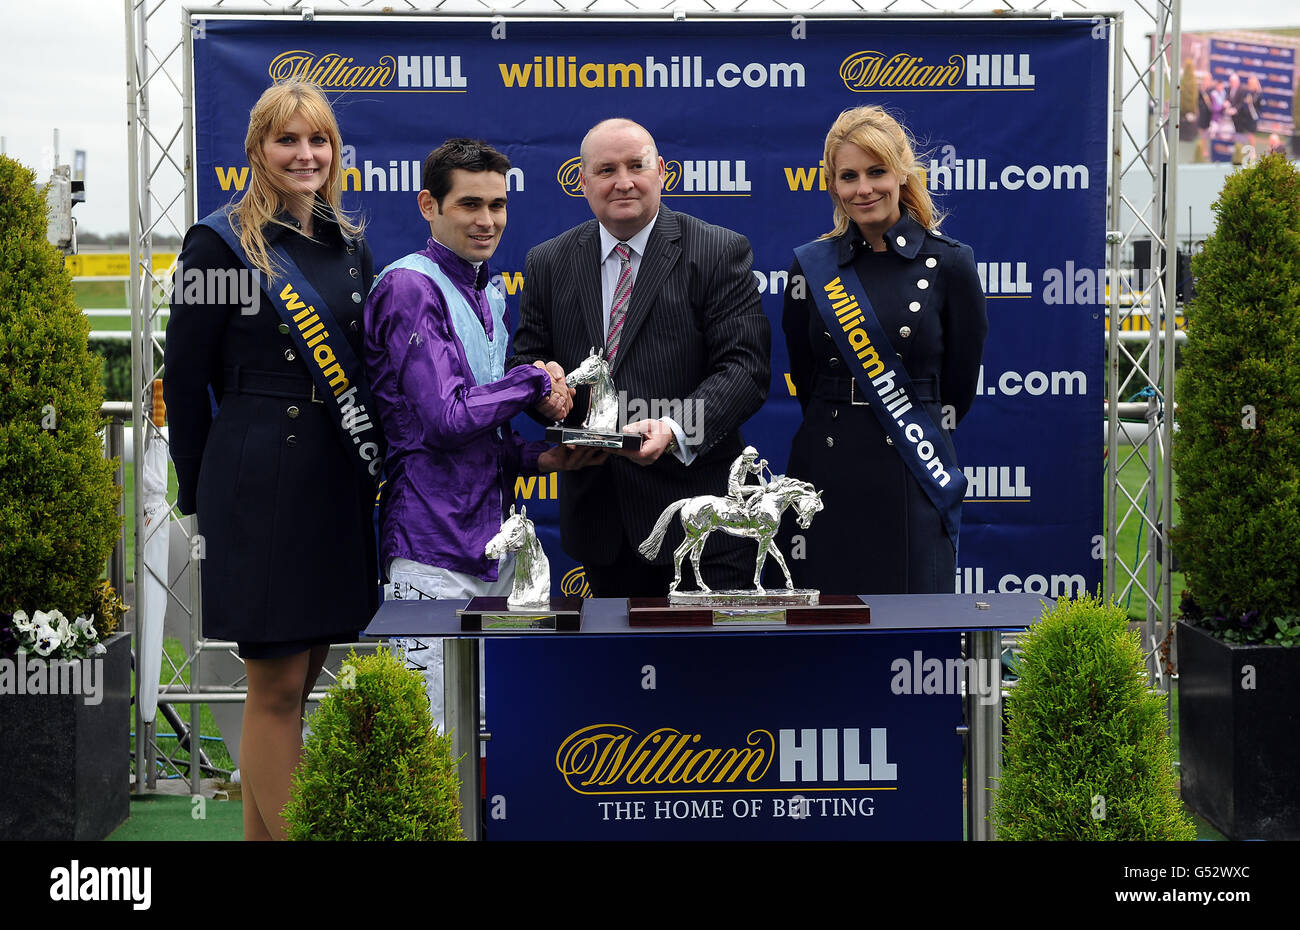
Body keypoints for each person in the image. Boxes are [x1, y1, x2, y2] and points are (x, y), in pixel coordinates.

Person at [164, 79, 380, 840]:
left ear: (335, 152)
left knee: (304, 670)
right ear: (257, 149)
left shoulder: (348, 244)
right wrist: (202, 499)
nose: (305, 154)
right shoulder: (217, 242)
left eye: (318, 140)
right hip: (259, 478)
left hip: (333, 474)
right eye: (288, 140)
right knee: (277, 684)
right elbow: (185, 385)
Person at [363, 138, 598, 726]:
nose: (487, 220)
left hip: (492, 547)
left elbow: (480, 436)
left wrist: (545, 459)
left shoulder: (490, 291)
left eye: (497, 205)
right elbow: (444, 418)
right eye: (470, 204)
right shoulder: (408, 287)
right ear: (428, 206)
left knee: (491, 731)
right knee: (427, 736)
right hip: (426, 547)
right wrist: (533, 381)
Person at [510, 118, 771, 597]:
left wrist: (673, 429)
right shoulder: (548, 262)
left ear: (663, 172)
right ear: (583, 182)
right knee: (615, 672)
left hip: (704, 523)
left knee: (710, 672)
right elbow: (527, 359)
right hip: (602, 524)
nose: (623, 181)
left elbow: (744, 371)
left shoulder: (717, 250)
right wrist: (544, 389)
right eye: (606, 170)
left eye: (637, 165)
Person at [780, 106, 987, 594]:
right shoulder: (810, 266)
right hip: (825, 468)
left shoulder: (950, 263)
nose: (863, 189)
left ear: (902, 174)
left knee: (913, 620)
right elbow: (805, 376)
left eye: (876, 172)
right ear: (833, 185)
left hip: (913, 467)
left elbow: (959, 381)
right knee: (822, 622)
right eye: (848, 176)